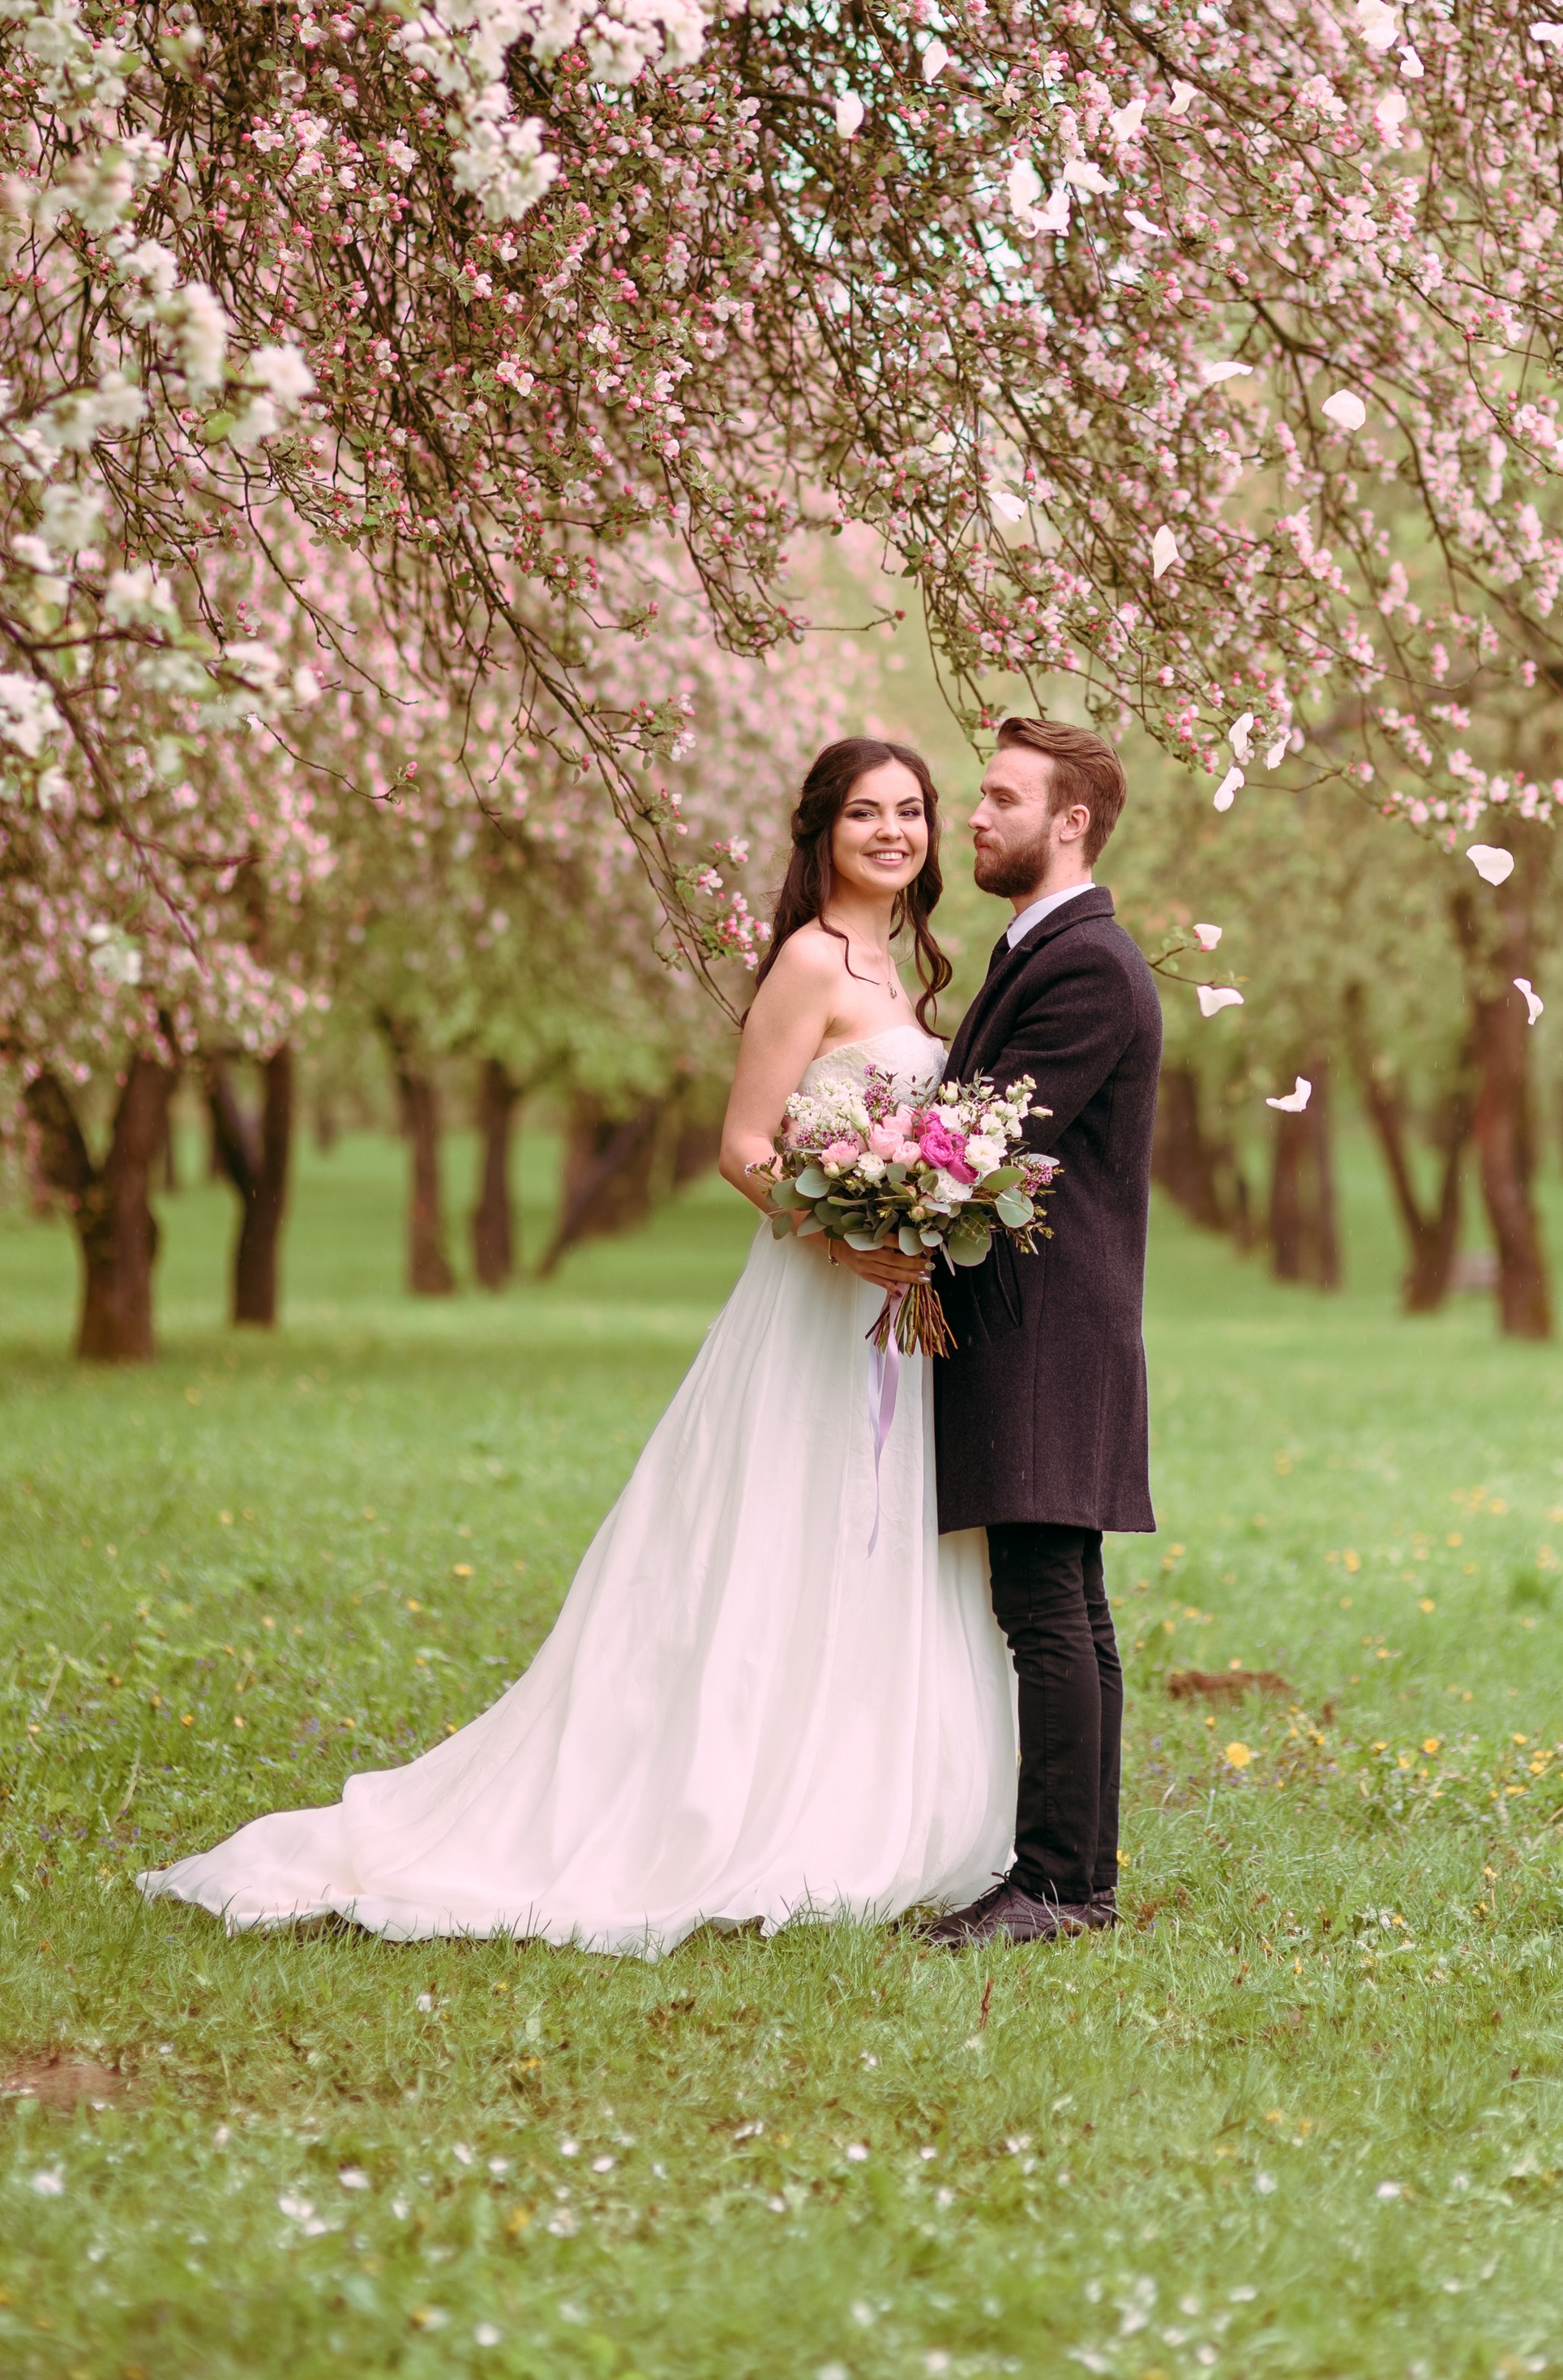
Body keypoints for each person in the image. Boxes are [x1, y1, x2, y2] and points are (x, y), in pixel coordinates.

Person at [137, 739, 1016, 1954]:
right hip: (817, 1305)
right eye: (866, 812)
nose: (893, 832)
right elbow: (744, 1147)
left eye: (911, 812)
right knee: (788, 1527)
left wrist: (919, 1218)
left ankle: (867, 1778)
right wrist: (848, 1235)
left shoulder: (904, 967)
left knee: (873, 1534)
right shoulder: (812, 964)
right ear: (822, 830)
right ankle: (737, 1790)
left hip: (888, 1320)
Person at [923, 718, 1163, 1948]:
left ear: (1068, 821)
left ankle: (1061, 1889)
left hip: (1045, 1327)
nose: (975, 815)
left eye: (1001, 798)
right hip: (1047, 1325)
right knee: (1066, 1602)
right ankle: (1076, 1882)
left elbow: (982, 1145)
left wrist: (868, 1160)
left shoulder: (1086, 966)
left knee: (1049, 1609)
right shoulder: (1042, 951)